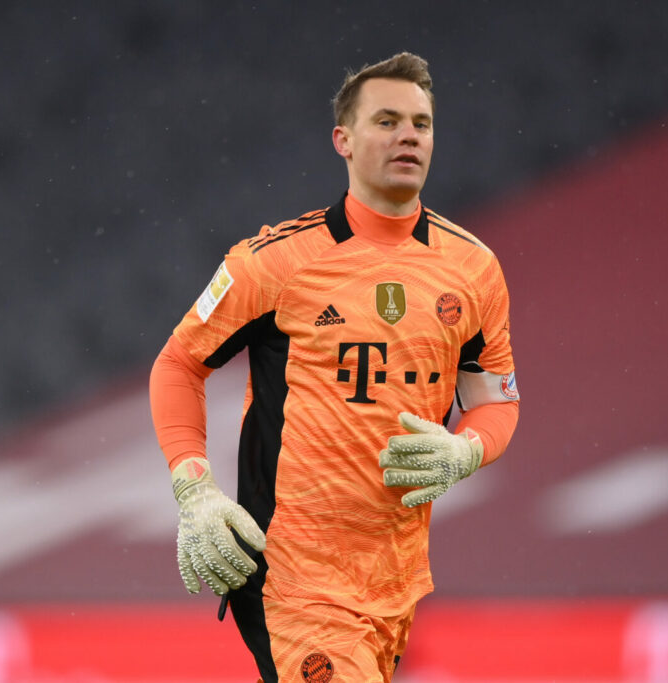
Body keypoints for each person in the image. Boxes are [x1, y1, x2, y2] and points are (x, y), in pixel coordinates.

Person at [149, 52, 520, 682]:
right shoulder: (274, 263)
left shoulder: (473, 269)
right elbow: (179, 363)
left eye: (422, 124)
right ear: (342, 140)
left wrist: (467, 450)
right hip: (292, 577)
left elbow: (496, 399)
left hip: (396, 581)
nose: (409, 136)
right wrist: (195, 491)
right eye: (387, 121)